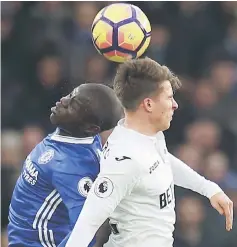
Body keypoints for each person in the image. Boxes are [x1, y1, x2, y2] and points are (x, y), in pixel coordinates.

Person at [65, 58, 233, 247]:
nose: (175, 105)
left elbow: (163, 161)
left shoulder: (150, 136)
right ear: (148, 104)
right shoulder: (124, 161)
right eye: (169, 97)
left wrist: (208, 188)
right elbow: (87, 223)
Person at [7, 83, 123, 247]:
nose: (63, 100)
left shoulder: (73, 168)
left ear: (90, 127)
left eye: (74, 105)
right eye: (70, 95)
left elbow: (86, 233)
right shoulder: (79, 137)